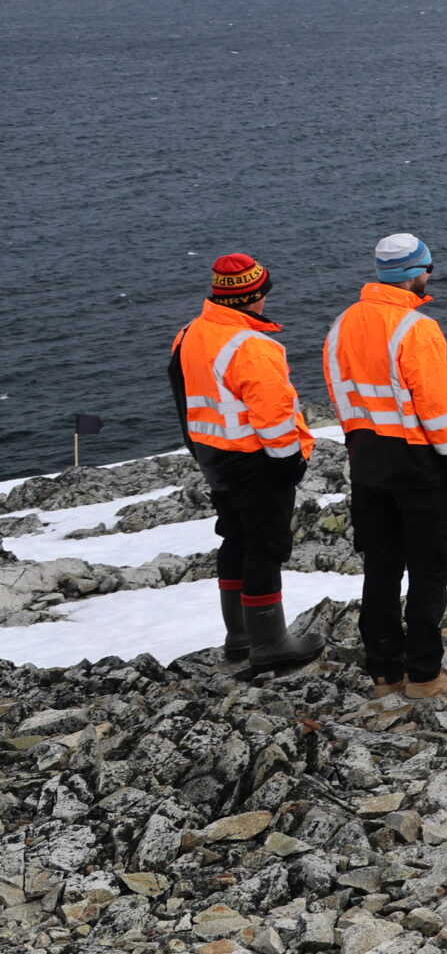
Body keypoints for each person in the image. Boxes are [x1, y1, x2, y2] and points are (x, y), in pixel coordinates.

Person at [323, 233, 447, 700]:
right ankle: (424, 676)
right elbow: (438, 411)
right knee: (430, 566)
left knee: (381, 568)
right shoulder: (415, 328)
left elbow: (340, 397)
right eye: (428, 269)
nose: (429, 276)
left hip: (365, 459)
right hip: (416, 463)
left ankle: (384, 676)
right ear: (416, 274)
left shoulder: (340, 325)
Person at [169, 252, 320, 672]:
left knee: (236, 540)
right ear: (254, 296)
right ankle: (271, 643)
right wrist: (290, 463)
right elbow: (273, 416)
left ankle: (239, 638)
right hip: (255, 461)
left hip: (214, 457)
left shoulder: (189, 333)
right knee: (266, 548)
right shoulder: (251, 346)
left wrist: (199, 451)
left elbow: (184, 400)